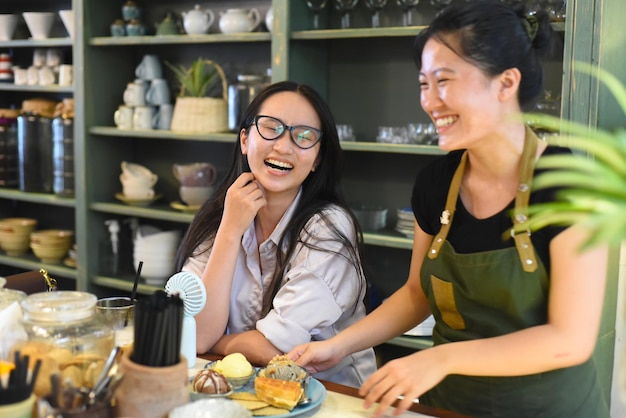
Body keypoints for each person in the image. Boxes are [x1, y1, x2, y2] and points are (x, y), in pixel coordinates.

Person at [288, 1, 610, 417]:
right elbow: (416, 295)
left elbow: (571, 338)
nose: (430, 101)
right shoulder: (436, 183)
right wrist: (337, 346)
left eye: (444, 80)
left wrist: (441, 359)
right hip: (451, 407)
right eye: (424, 83)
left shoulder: (571, 183)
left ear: (505, 83)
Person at [174, 80, 376, 387]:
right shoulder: (222, 215)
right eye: (271, 128)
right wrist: (230, 231)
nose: (283, 146)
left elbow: (276, 349)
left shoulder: (328, 229)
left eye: (304, 136)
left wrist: (216, 343)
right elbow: (199, 332)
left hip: (331, 398)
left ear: (317, 159)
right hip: (245, 390)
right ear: (244, 140)